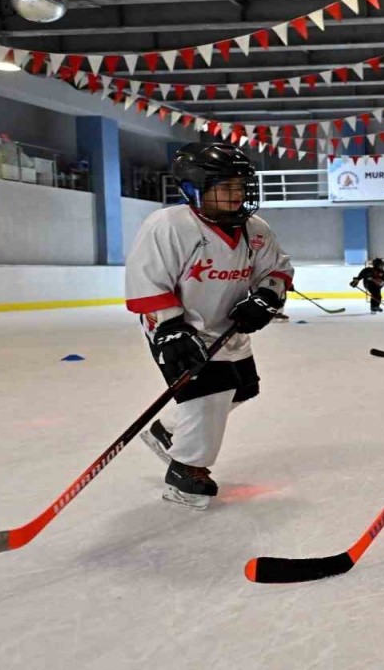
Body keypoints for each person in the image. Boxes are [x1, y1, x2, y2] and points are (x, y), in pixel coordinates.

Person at [125, 142, 293, 510]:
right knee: (210, 395)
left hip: (228, 325)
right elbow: (147, 280)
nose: (236, 196)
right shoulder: (168, 226)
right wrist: (170, 329)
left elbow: (276, 269)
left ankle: (167, 430)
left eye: (240, 186)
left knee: (243, 388)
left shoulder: (256, 229)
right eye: (225, 187)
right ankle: (186, 471)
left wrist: (265, 297)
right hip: (179, 325)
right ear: (194, 188)